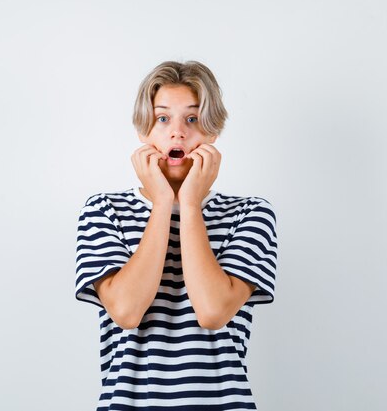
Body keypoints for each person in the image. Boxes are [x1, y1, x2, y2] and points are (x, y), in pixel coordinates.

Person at [75, 60, 278, 410]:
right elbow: (126, 310)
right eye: (163, 118)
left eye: (193, 119)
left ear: (212, 132)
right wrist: (163, 203)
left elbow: (213, 312)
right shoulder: (104, 210)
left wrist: (190, 205)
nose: (177, 132)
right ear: (144, 130)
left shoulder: (250, 214)